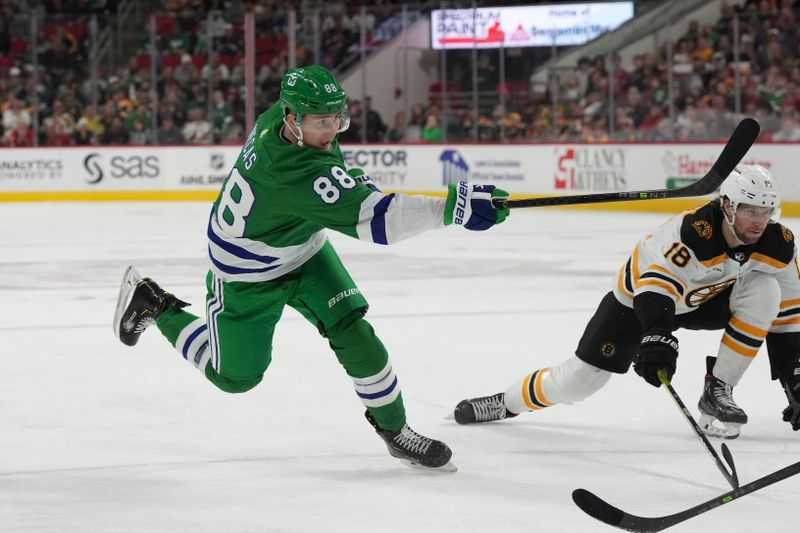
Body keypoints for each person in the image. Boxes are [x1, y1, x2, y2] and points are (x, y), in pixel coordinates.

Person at [112, 65, 511, 470]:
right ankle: (157, 305)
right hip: (247, 274)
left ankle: (395, 431)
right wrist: (453, 206)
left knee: (355, 333)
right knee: (236, 378)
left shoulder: (282, 120)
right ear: (293, 119)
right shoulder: (295, 172)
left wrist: (350, 181)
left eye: (338, 117)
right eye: (323, 121)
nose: (334, 129)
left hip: (301, 247)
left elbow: (339, 184)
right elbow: (381, 220)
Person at [452, 164, 800, 439]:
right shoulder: (695, 233)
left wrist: (794, 372)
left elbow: (790, 309)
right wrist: (658, 335)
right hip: (639, 302)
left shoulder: (778, 243)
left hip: (702, 300)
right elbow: (653, 287)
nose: (759, 221)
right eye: (750, 211)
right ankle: (506, 403)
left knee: (766, 290)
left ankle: (719, 389)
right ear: (727, 206)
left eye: (766, 212)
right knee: (578, 381)